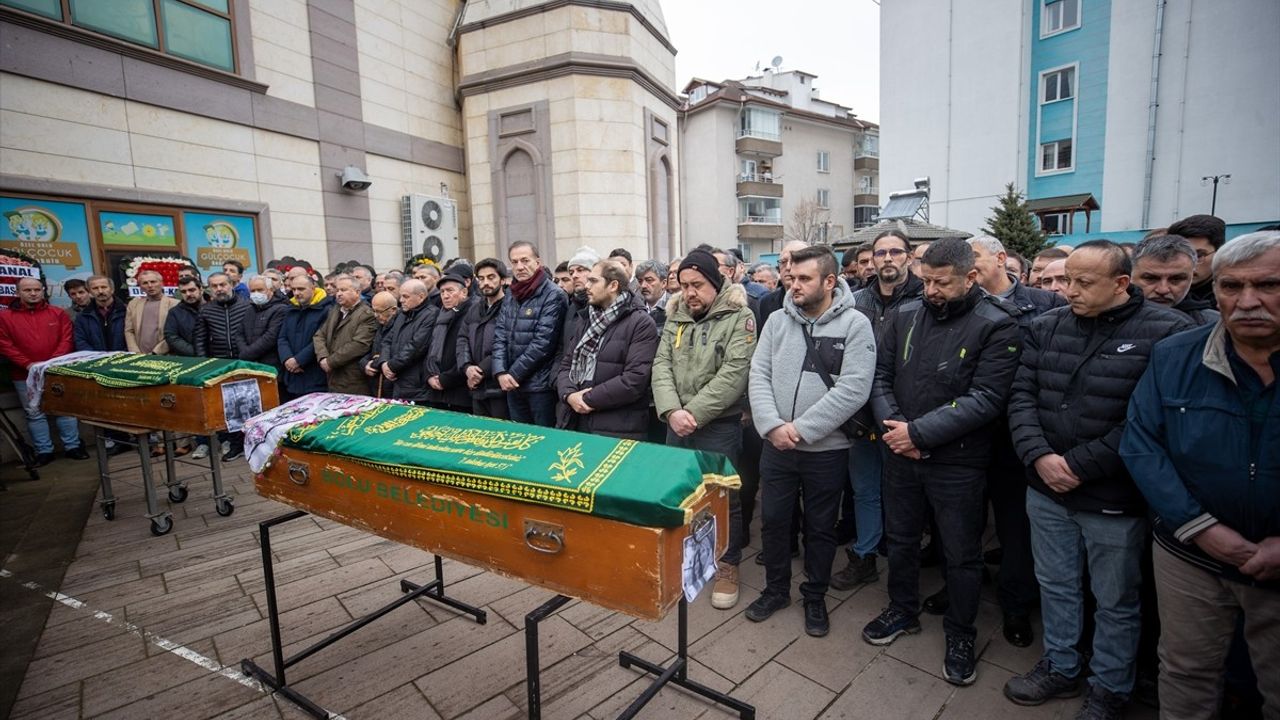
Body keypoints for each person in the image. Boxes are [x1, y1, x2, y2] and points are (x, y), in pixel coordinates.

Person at [1004, 240, 1194, 718]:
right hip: (1045, 488)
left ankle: (1111, 685)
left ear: (1121, 284)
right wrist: (1040, 457)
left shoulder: (1167, 331)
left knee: (1115, 598)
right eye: (1067, 280)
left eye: (1083, 283)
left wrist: (1081, 465)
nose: (1069, 291)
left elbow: (1147, 419)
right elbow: (1021, 396)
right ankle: (1062, 665)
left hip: (1113, 495)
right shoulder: (1047, 326)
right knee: (1056, 584)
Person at [1121, 231, 1280, 718]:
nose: (1248, 301)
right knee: (1187, 670)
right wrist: (1201, 528)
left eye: (1269, 285)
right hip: (1190, 552)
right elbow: (1143, 443)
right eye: (1232, 287)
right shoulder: (1177, 355)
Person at [861, 238, 1022, 688]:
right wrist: (897, 430)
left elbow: (987, 398)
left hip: (959, 461)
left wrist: (918, 433)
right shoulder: (905, 314)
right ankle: (902, 608)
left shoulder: (997, 324)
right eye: (926, 280)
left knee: (961, 552)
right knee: (902, 537)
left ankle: (961, 632)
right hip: (900, 450)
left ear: (971, 277)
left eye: (941, 282)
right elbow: (881, 376)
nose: (930, 290)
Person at [745, 244, 876, 636]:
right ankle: (775, 590)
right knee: (773, 522)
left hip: (826, 451)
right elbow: (759, 374)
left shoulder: (855, 325)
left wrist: (800, 430)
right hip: (776, 446)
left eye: (804, 278)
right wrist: (771, 425)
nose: (793, 284)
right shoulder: (777, 322)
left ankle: (814, 596)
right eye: (790, 276)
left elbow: (854, 389)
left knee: (820, 528)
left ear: (830, 281)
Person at [962, 236, 1066, 647]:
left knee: (1012, 527)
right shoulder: (961, 303)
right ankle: (960, 589)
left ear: (1002, 259)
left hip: (1015, 436)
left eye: (975, 259)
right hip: (966, 433)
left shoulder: (1043, 306)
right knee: (963, 523)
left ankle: (1015, 604)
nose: (967, 268)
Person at [652, 249, 755, 610]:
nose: (689, 293)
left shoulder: (740, 317)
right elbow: (661, 364)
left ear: (715, 282)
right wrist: (671, 410)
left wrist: (692, 413)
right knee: (680, 492)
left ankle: (727, 564)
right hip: (676, 421)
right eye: (683, 285)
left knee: (723, 496)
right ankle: (688, 556)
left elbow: (734, 373)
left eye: (697, 285)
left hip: (717, 424)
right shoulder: (676, 315)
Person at [829, 230, 923, 592]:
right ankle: (865, 554)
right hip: (859, 414)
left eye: (895, 252)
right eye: (880, 252)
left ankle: (904, 564)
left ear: (909, 257)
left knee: (904, 494)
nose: (887, 258)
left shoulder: (923, 299)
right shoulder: (856, 301)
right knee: (865, 488)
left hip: (907, 414)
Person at [555, 260, 658, 439]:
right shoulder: (586, 318)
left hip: (618, 425)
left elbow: (634, 380)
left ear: (613, 285)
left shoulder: (640, 322)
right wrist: (569, 396)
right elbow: (566, 365)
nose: (586, 286)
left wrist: (586, 400)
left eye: (593, 281)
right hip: (575, 419)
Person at [0, 277, 87, 464]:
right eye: (27, 290)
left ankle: (73, 446)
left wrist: (50, 363)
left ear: (43, 291)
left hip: (56, 371)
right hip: (24, 374)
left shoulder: (58, 313)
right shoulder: (4, 317)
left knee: (65, 410)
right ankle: (44, 451)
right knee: (34, 413)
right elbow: (5, 345)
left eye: (37, 290)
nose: (33, 293)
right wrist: (28, 364)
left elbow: (66, 339)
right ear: (17, 293)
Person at [493, 241, 567, 426]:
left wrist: (514, 374)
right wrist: (500, 371)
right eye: (514, 262)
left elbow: (543, 343)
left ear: (538, 262)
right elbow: (500, 334)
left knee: (543, 442)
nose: (519, 266)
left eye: (525, 260)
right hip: (511, 384)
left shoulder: (553, 294)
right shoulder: (511, 293)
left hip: (539, 385)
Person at [194, 272, 252, 460]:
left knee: (248, 405)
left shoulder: (247, 305)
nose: (219, 289)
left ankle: (250, 443)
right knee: (227, 408)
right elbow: (200, 339)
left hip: (244, 362)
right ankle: (232, 444)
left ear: (231, 285)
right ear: (209, 288)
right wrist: (204, 364)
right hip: (220, 365)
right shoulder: (206, 310)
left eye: (223, 285)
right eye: (215, 286)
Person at [1132, 233, 1220, 326]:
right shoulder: (1115, 319)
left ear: (1191, 277)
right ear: (1129, 276)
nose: (1163, 290)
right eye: (1150, 278)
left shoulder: (1215, 325)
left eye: (1176, 279)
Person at [458, 259, 509, 418]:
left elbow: (507, 344)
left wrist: (479, 371)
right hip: (476, 388)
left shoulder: (510, 306)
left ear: (502, 280)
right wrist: (467, 367)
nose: (486, 282)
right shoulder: (474, 309)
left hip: (499, 386)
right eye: (481, 278)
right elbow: (462, 339)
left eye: (491, 277)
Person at [314, 276, 377, 395]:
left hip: (352, 378)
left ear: (357, 292)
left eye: (343, 290)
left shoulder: (366, 314)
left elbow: (359, 344)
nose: (338, 294)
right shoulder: (335, 310)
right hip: (332, 377)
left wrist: (330, 362)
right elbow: (319, 335)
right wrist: (323, 357)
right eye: (337, 290)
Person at [379, 279, 438, 404]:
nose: (401, 300)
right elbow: (387, 340)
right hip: (396, 381)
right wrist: (384, 362)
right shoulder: (402, 314)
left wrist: (391, 366)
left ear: (421, 297)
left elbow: (416, 347)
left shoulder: (431, 314)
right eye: (401, 296)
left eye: (406, 297)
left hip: (416, 384)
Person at [425, 268, 477, 411]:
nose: (445, 296)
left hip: (460, 392)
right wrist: (429, 375)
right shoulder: (440, 315)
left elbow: (470, 353)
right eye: (442, 292)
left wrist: (446, 379)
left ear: (464, 292)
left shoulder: (472, 314)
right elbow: (429, 350)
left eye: (450, 291)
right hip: (436, 390)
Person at [277, 273, 333, 402]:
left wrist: (298, 360)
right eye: (294, 289)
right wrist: (287, 359)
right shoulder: (291, 309)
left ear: (313, 288)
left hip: (315, 376)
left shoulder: (326, 310)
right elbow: (282, 338)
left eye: (301, 289)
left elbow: (320, 339)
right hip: (292, 376)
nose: (296, 293)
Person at [239, 275, 287, 387]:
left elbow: (270, 337)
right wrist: (244, 351)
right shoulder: (249, 310)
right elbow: (239, 334)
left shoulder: (280, 309)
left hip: (272, 367)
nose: (256, 293)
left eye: (260, 290)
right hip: (252, 367)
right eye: (252, 291)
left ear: (270, 290)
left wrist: (246, 354)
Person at [1167, 213, 1226, 306]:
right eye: (1180, 254)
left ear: (1219, 253)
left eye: (1198, 255)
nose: (1189, 264)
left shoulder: (1228, 298)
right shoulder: (1158, 291)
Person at [124, 270, 177, 355]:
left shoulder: (175, 304)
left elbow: (175, 334)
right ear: (140, 287)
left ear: (161, 283)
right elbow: (129, 330)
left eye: (153, 282)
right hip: (139, 356)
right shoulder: (133, 304)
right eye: (145, 283)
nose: (150, 285)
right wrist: (135, 352)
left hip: (166, 355)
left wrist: (155, 352)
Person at [73, 275, 126, 352]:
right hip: (95, 360)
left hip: (124, 358)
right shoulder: (82, 316)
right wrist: (96, 357)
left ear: (112, 289)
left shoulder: (126, 311)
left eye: (104, 287)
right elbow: (80, 341)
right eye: (95, 288)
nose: (100, 291)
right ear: (89, 292)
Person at [363, 290, 400, 398]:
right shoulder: (380, 323)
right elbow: (370, 349)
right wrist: (364, 364)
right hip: (375, 381)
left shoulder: (400, 324)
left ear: (393, 310)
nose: (375, 315)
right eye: (374, 311)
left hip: (391, 382)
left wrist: (376, 363)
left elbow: (394, 352)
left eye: (379, 311)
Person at [165, 277, 205, 358]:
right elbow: (172, 337)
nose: (188, 294)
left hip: (218, 358)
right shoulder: (175, 312)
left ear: (201, 289)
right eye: (183, 291)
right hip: (189, 358)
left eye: (192, 290)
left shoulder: (215, 307)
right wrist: (197, 352)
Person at [634, 259, 669, 333]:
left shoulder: (675, 308)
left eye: (649, 280)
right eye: (640, 281)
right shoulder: (634, 309)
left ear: (663, 283)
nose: (643, 286)